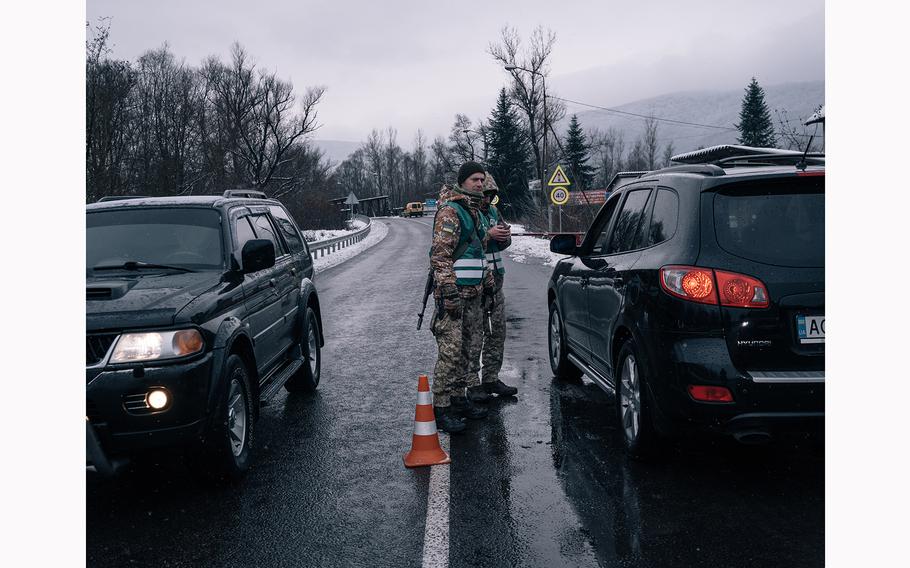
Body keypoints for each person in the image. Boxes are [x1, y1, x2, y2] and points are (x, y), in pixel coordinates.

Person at [429, 161, 492, 433]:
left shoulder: (474, 211)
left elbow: (478, 251)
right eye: (474, 180)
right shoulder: (451, 212)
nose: (479, 184)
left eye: (482, 180)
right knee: (451, 351)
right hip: (454, 295)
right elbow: (440, 256)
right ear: (462, 181)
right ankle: (441, 407)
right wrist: (449, 291)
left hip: (474, 292)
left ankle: (458, 398)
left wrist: (486, 280)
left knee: (468, 349)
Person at [466, 173, 518, 404]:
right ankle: (472, 383)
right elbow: (466, 243)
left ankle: (491, 377)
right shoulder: (469, 213)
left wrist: (505, 236)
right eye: (485, 194)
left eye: (492, 196)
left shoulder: (494, 213)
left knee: (497, 333)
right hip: (476, 283)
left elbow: (502, 243)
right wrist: (488, 235)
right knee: (474, 334)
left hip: (496, 282)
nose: (488, 199)